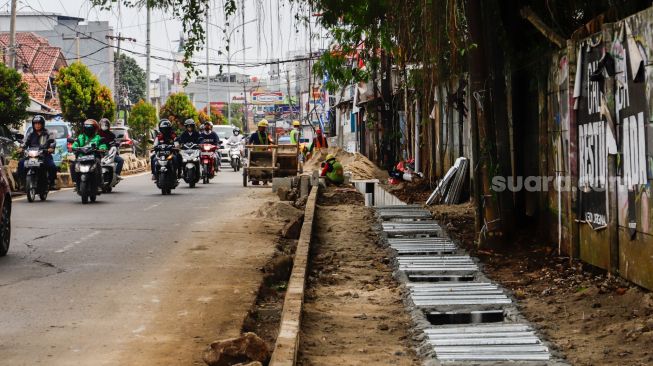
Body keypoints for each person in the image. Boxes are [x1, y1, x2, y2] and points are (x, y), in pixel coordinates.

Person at [18, 115, 58, 190]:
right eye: (35, 123)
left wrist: (51, 148)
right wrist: (21, 148)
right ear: (33, 124)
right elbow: (24, 141)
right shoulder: (30, 134)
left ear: (42, 124)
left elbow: (52, 141)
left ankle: (52, 183)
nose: (37, 125)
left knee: (52, 166)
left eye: (39, 123)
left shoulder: (48, 133)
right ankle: (23, 183)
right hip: (31, 155)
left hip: (44, 155)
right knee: (21, 163)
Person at [71, 119, 107, 186]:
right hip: (81, 157)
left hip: (94, 157)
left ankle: (100, 182)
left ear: (95, 129)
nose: (88, 130)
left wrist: (102, 148)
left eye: (90, 129)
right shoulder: (81, 137)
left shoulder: (98, 137)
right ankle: (75, 181)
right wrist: (74, 148)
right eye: (87, 128)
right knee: (73, 165)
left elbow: (103, 145)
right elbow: (75, 144)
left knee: (98, 164)